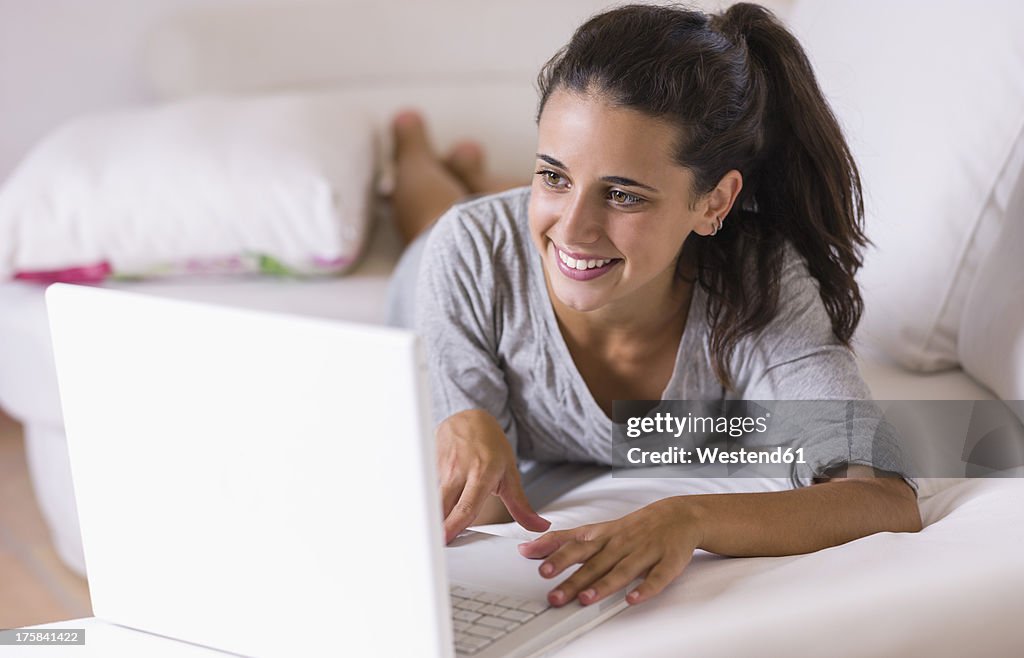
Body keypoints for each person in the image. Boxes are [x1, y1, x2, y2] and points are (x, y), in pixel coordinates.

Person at [384, 2, 922, 609]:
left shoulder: (759, 282)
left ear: (714, 202)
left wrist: (692, 517)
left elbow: (884, 497)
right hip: (438, 258)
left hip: (537, 240)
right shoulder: (472, 253)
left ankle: (478, 171)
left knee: (553, 235)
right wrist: (464, 427)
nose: (578, 226)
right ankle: (413, 152)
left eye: (622, 194)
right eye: (552, 174)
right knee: (432, 221)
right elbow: (478, 509)